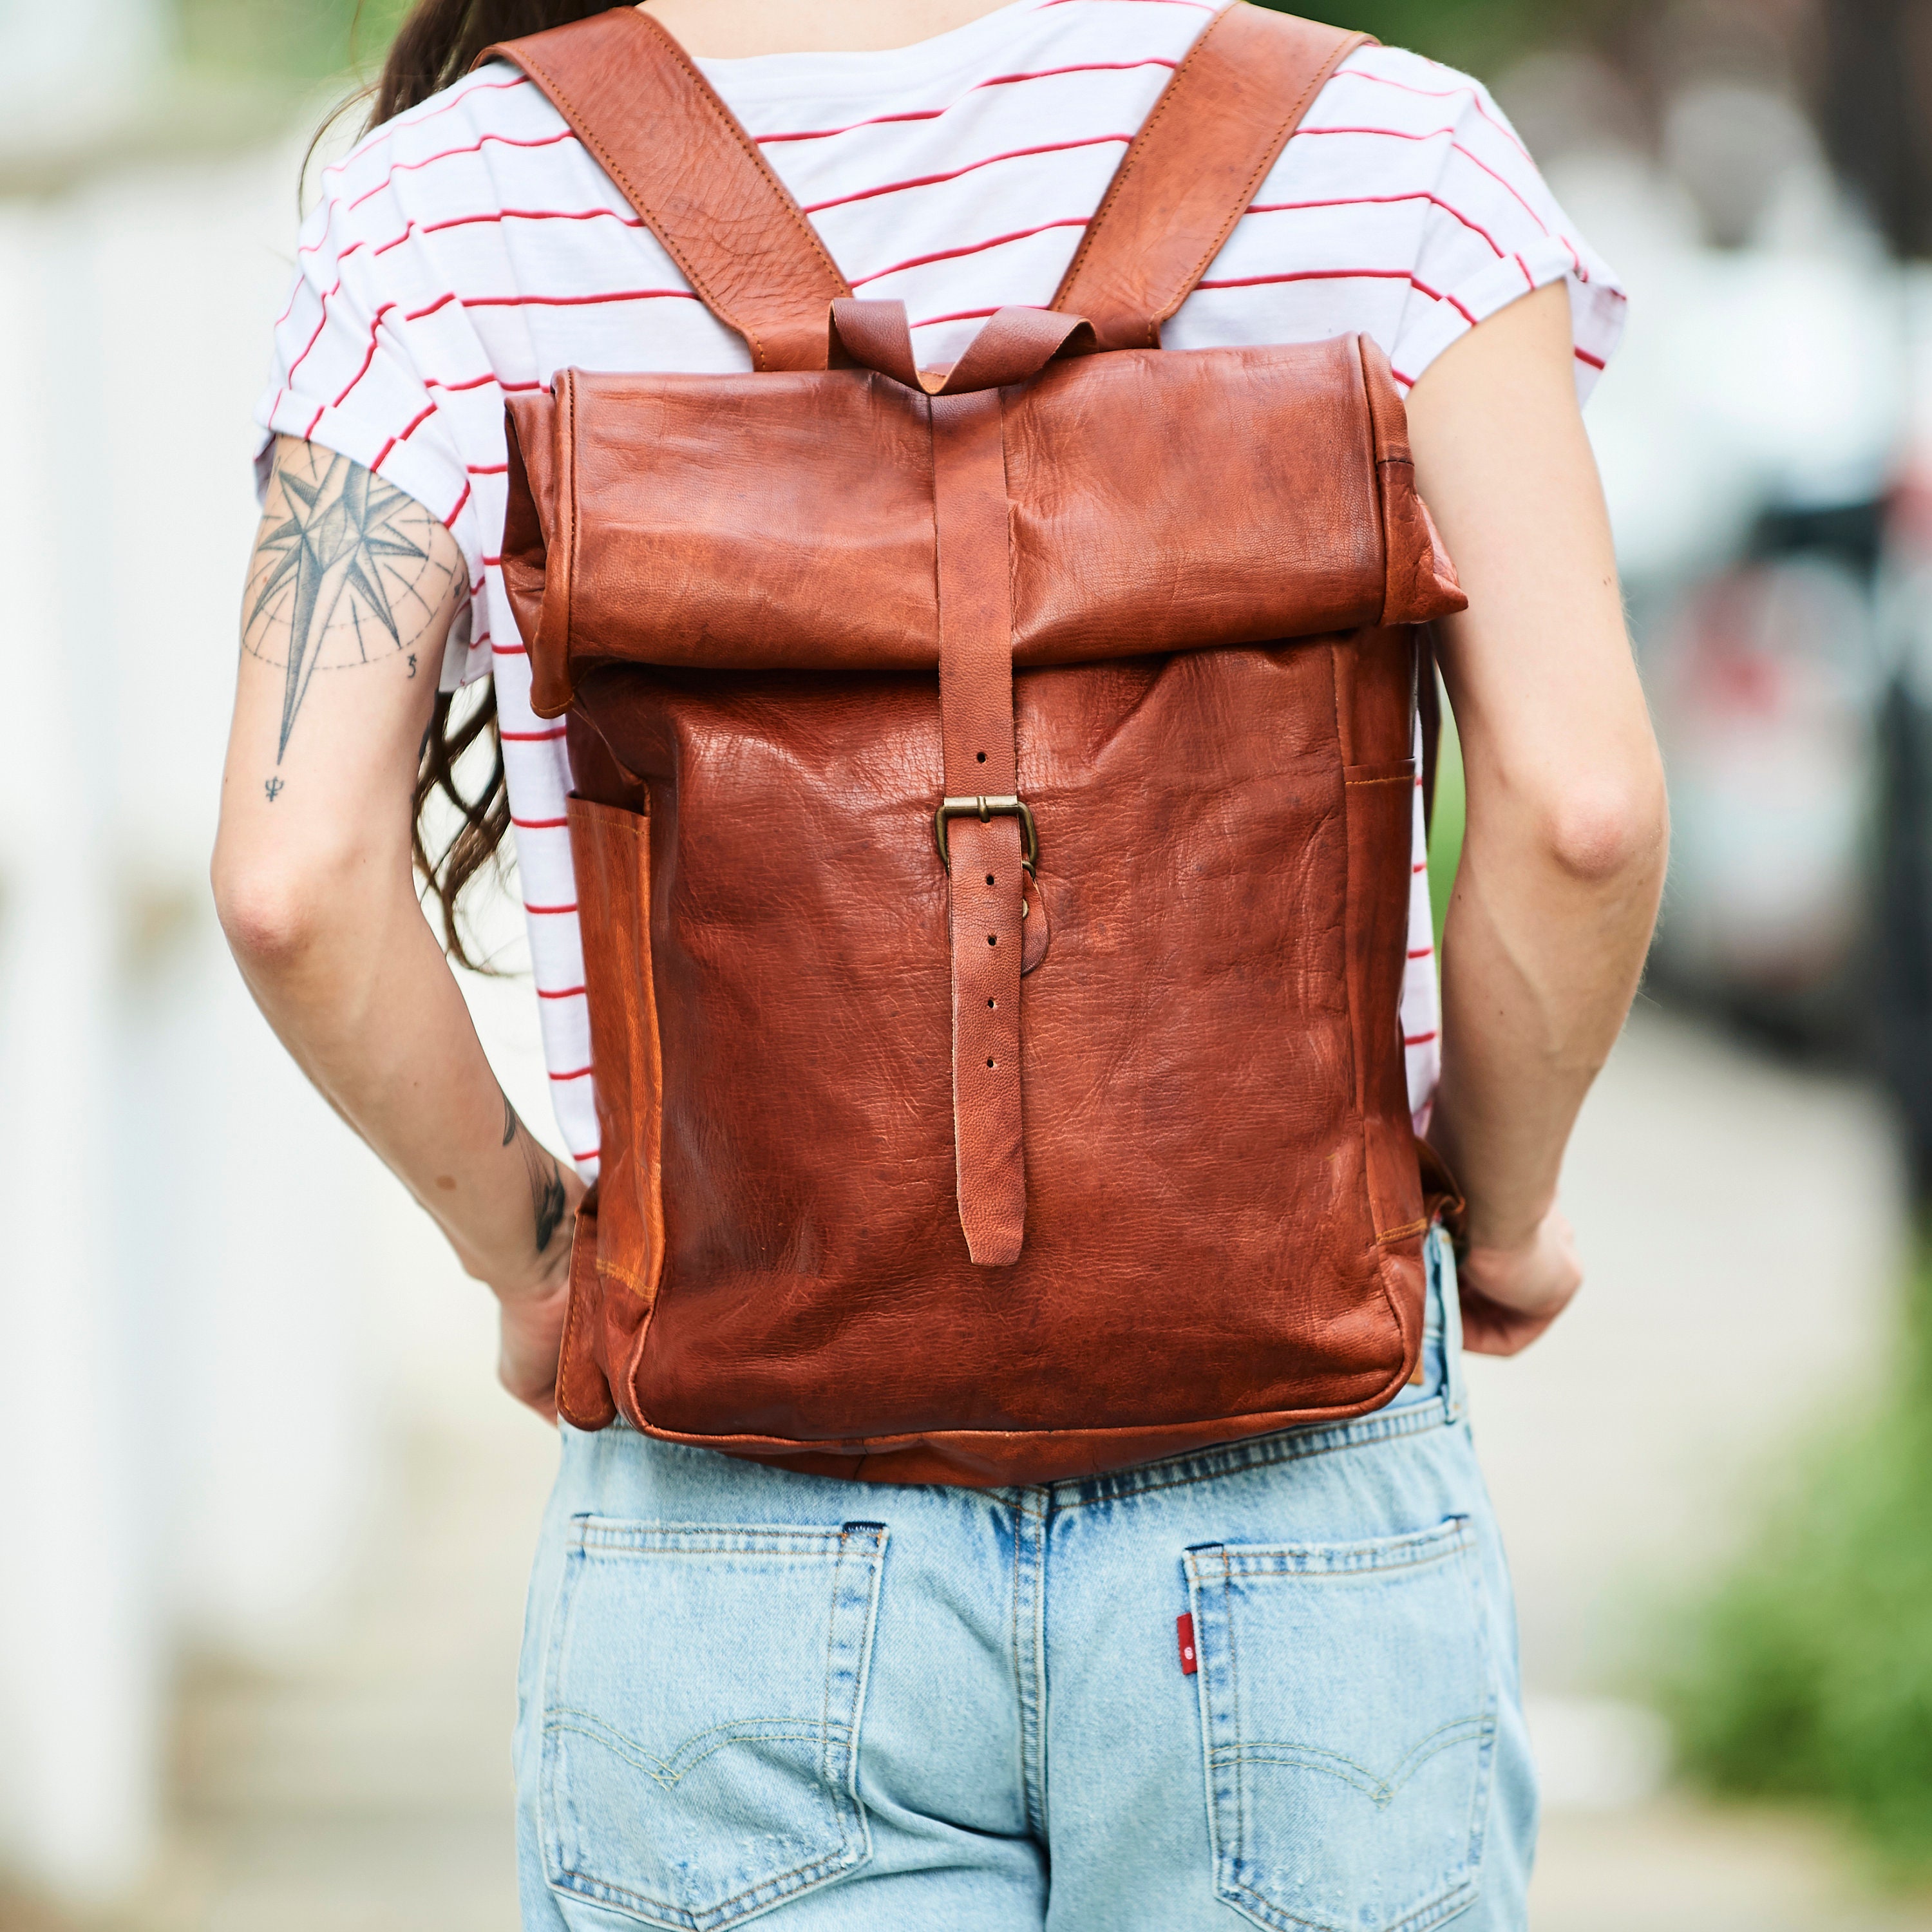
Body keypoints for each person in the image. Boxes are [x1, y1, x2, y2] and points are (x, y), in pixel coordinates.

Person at [212, 0, 1667, 1922]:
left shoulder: (450, 205)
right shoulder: (1397, 157)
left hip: (739, 1503)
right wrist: (1501, 1201)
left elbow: (290, 880)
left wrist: (536, 1259)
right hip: (1293, 1497)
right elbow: (1581, 814)